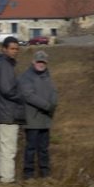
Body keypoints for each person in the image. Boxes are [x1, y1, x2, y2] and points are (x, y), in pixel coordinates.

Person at [0, 35, 25, 183]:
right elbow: (7, 89)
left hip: (1, 110)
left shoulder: (0, 63)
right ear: (4, 49)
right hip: (8, 111)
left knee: (1, 146)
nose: (15, 51)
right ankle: (7, 177)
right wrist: (22, 97)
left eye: (17, 49)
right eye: (12, 49)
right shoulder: (5, 65)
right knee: (8, 148)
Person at [19, 49, 59, 179]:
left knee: (44, 148)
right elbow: (28, 95)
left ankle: (45, 173)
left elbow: (54, 92)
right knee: (31, 148)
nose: (41, 64)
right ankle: (28, 175)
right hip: (32, 119)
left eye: (43, 62)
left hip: (45, 119)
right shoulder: (26, 76)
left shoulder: (47, 75)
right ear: (33, 61)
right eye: (38, 62)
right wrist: (47, 106)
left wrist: (53, 104)